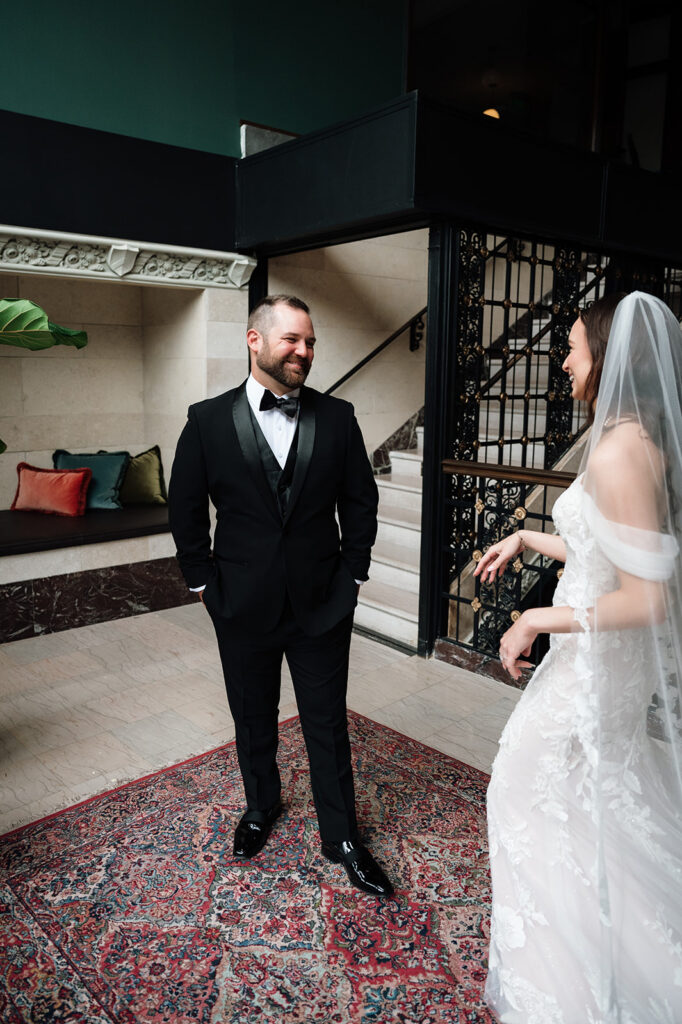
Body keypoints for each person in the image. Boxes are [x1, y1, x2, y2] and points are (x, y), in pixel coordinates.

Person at [476, 291, 682, 1021]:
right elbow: (606, 550)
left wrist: (538, 614)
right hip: (594, 666)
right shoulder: (623, 434)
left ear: (607, 355)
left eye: (571, 347)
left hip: (594, 673)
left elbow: (650, 597)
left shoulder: (625, 447)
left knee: (522, 794)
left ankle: (572, 991)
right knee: (579, 809)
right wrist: (530, 540)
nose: (563, 361)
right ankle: (590, 957)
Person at [168, 294, 394, 897]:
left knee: (327, 722)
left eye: (311, 342)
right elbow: (185, 510)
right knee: (252, 716)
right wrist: (204, 584)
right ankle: (260, 806)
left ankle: (343, 837)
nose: (304, 352)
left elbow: (361, 504)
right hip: (240, 603)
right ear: (254, 341)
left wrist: (352, 577)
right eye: (292, 339)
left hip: (323, 602)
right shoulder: (207, 420)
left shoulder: (338, 417)